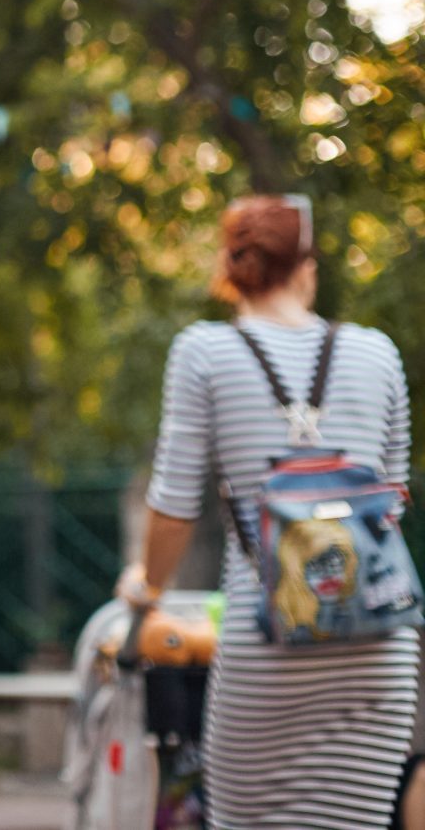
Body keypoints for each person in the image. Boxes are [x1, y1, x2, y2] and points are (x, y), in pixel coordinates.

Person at [118, 193, 416, 829]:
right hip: (378, 646)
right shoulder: (378, 352)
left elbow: (174, 505)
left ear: (232, 271)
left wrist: (145, 588)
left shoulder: (204, 352)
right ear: (307, 266)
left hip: (271, 645)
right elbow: (392, 497)